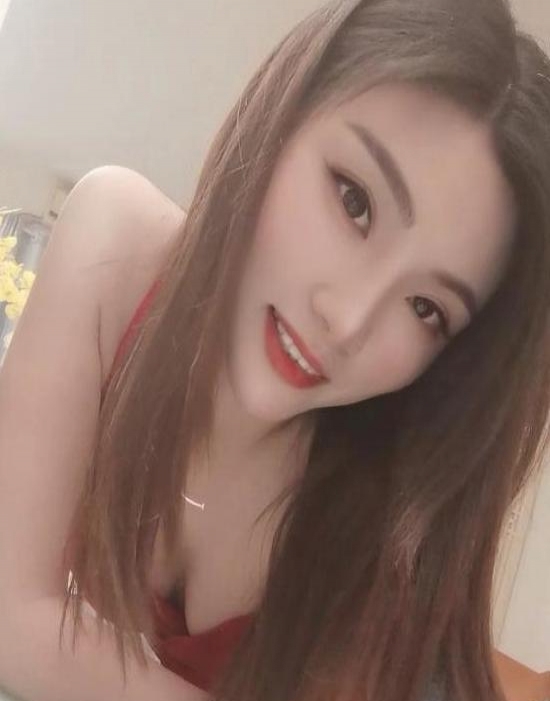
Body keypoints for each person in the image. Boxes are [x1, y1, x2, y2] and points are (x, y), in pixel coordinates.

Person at [1, 0, 550, 699]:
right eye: (354, 201)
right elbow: (10, 617)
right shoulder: (116, 248)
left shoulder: (385, 528)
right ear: (286, 111)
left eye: (426, 309)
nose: (346, 320)